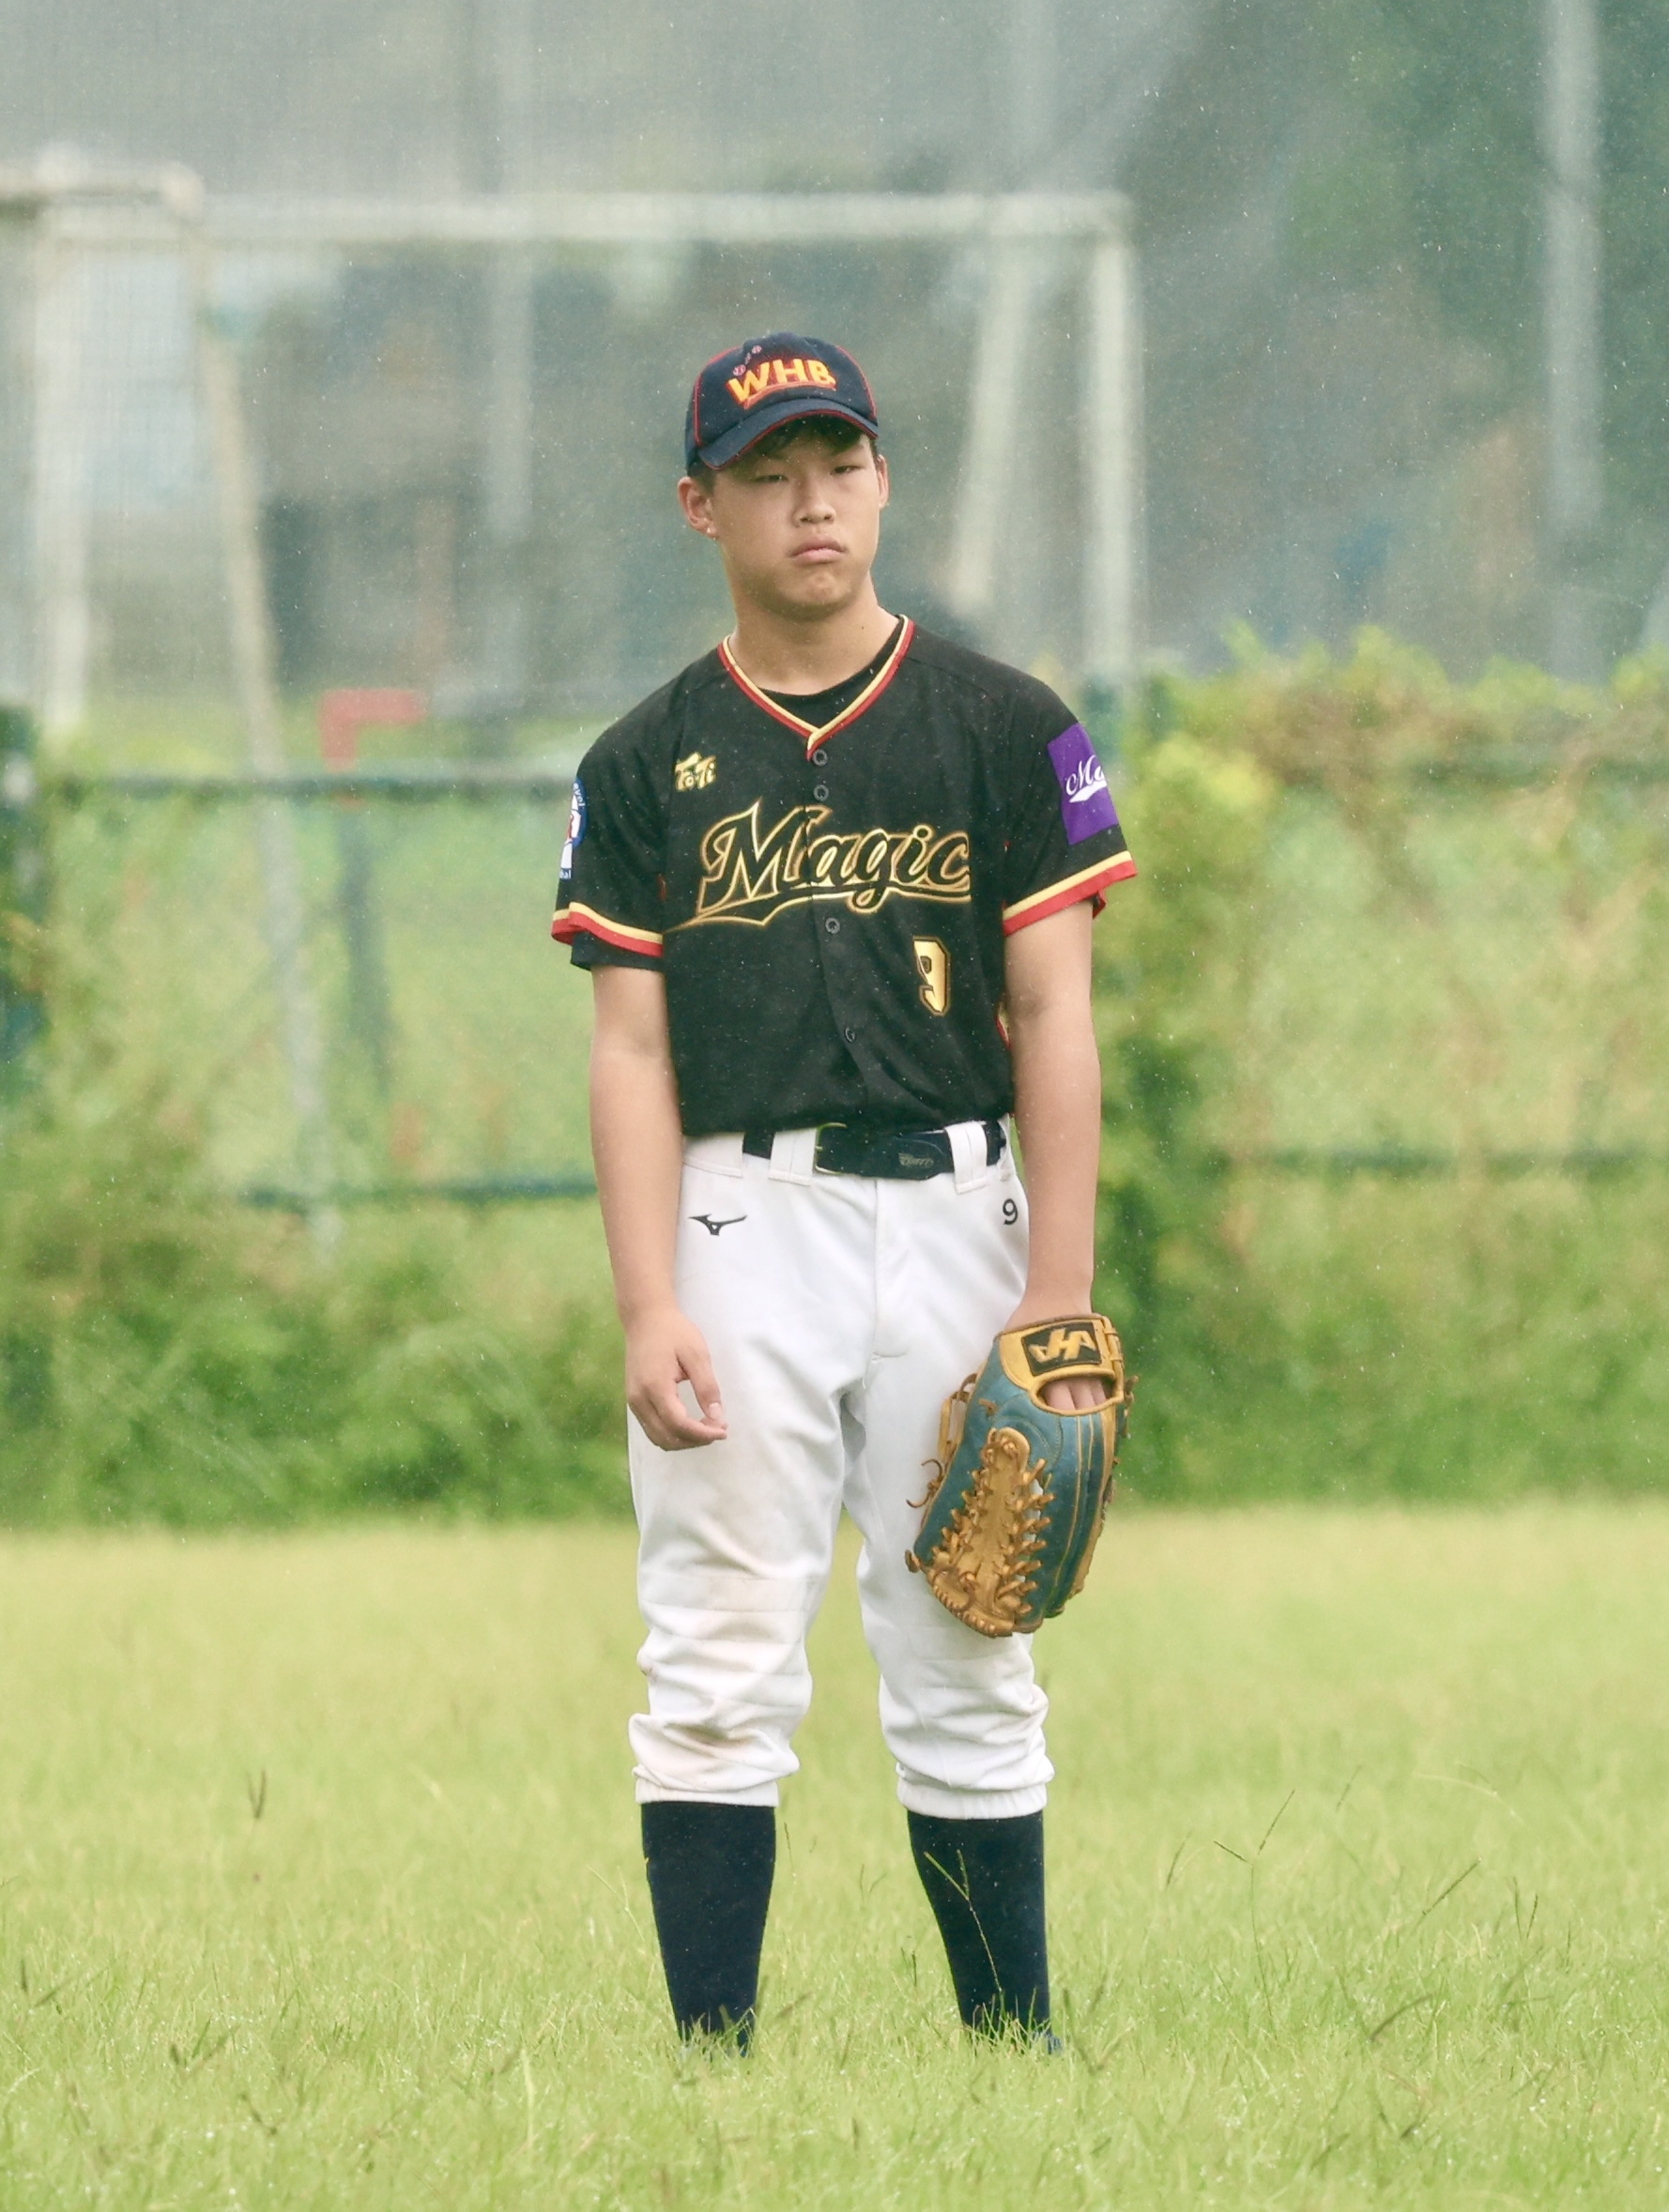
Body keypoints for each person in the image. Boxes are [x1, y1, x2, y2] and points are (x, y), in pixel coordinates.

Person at [552, 334, 1138, 2052]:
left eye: (839, 463)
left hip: (965, 1216)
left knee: (969, 1639)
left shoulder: (1005, 728)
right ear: (700, 506)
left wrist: (1059, 1294)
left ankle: (1014, 2053)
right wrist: (648, 1300)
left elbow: (1056, 1016)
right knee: (716, 1653)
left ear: (883, 480)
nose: (811, 501)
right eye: (768, 474)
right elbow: (630, 1052)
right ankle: (713, 2063)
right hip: (744, 1220)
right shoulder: (643, 760)